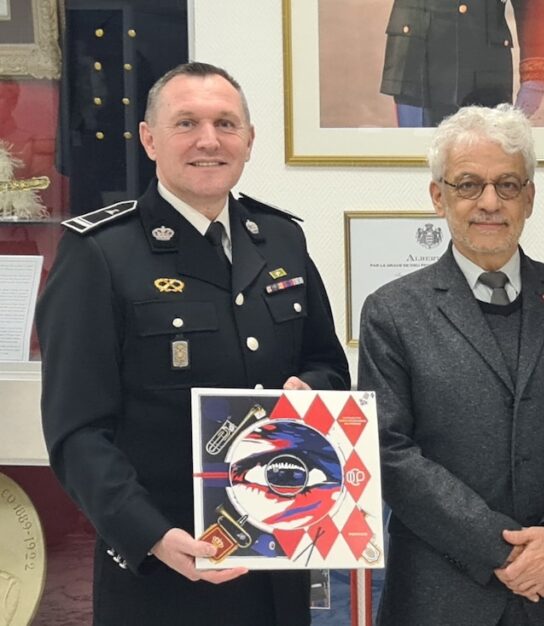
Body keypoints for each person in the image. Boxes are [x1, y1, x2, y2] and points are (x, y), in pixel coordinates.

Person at [36, 62, 350, 626]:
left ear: (249, 141)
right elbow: (77, 430)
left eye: (226, 124)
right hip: (165, 570)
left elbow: (327, 364)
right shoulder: (101, 254)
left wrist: (310, 392)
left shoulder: (280, 238)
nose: (209, 140)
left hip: (280, 556)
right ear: (150, 140)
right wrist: (150, 535)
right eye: (187, 124)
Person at [358, 103, 544, 625]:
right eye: (468, 185)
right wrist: (500, 550)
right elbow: (388, 453)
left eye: (507, 185)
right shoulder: (391, 312)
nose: (489, 202)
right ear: (438, 196)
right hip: (440, 597)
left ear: (529, 197)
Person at [380, 0, 544, 127]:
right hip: (418, 57)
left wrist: (534, 76)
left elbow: (532, 6)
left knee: (485, 164)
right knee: (417, 160)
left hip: (483, 64)